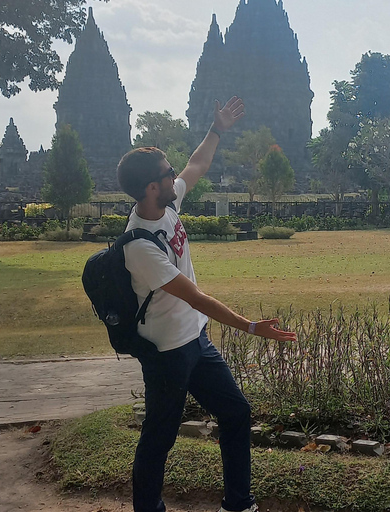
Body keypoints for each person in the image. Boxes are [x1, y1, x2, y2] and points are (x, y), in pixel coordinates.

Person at [116, 96, 296, 512]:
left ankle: (238, 504)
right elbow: (196, 296)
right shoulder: (139, 246)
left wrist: (216, 129)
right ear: (150, 188)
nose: (173, 175)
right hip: (167, 353)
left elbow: (195, 166)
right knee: (159, 437)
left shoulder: (167, 201)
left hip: (195, 340)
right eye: (166, 173)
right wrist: (251, 327)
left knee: (235, 413)